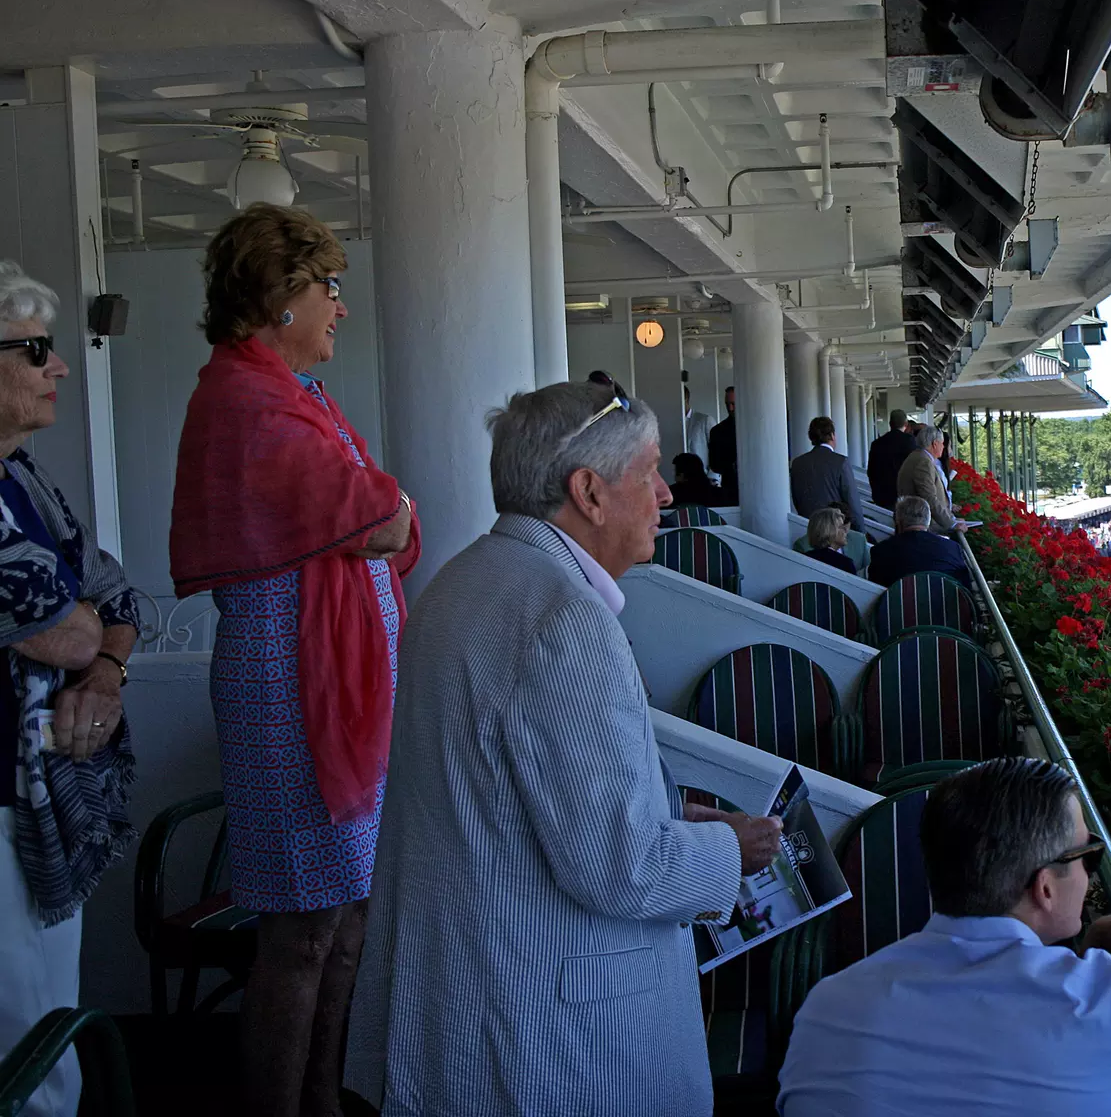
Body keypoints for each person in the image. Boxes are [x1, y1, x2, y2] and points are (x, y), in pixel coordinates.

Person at [347, 374, 782, 1117]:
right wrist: (729, 853)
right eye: (648, 474)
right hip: (545, 1038)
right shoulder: (563, 619)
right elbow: (621, 865)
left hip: (466, 997)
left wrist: (674, 821)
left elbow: (513, 806)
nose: (666, 496)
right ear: (589, 491)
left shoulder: (462, 582)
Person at [170, 205, 418, 1117]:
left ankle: (325, 1099)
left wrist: (378, 516)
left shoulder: (297, 394)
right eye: (329, 290)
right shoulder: (245, 399)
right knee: (303, 931)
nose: (338, 309)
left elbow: (384, 517)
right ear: (280, 299)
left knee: (347, 920)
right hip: (288, 694)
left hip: (331, 689)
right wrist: (378, 516)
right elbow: (381, 512)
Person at [778, 758, 1111, 1117]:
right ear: (1045, 887)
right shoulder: (1107, 1012)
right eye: (1088, 854)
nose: (1091, 873)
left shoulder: (825, 1010)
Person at [0, 262, 141, 1117]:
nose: (58, 367)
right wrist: (86, 637)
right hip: (2, 802)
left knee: (50, 1030)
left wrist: (106, 668)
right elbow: (72, 621)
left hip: (42, 794)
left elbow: (116, 598)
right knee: (24, 1050)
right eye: (35, 350)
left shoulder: (26, 479)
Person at [869, 497, 974, 591]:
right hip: (945, 610)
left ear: (898, 521)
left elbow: (875, 591)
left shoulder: (880, 550)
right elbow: (965, 589)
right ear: (928, 522)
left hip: (898, 610)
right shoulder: (952, 548)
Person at [790, 415, 865, 533]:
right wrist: (861, 532)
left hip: (807, 529)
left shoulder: (797, 463)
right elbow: (852, 502)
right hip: (835, 530)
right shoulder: (840, 462)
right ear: (832, 435)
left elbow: (796, 498)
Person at [895, 426, 962, 535]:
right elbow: (929, 497)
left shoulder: (920, 457)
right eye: (942, 443)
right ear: (935, 444)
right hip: (922, 527)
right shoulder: (923, 462)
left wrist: (952, 518)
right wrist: (952, 523)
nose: (943, 446)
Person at [866, 409, 914, 512]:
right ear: (905, 424)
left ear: (890, 423)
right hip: (905, 496)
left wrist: (876, 492)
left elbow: (871, 471)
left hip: (883, 495)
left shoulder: (877, 444)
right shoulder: (909, 442)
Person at [802, 507, 858, 576]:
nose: (845, 530)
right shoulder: (845, 564)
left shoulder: (803, 558)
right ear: (828, 530)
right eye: (841, 527)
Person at [707, 384, 738, 504]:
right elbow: (714, 464)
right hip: (730, 490)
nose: (730, 408)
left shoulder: (758, 428)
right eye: (727, 404)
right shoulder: (717, 431)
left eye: (733, 404)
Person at [682, 385, 711, 467]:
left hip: (702, 474)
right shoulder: (670, 421)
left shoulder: (704, 420)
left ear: (686, 398)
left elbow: (716, 450)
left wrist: (713, 476)